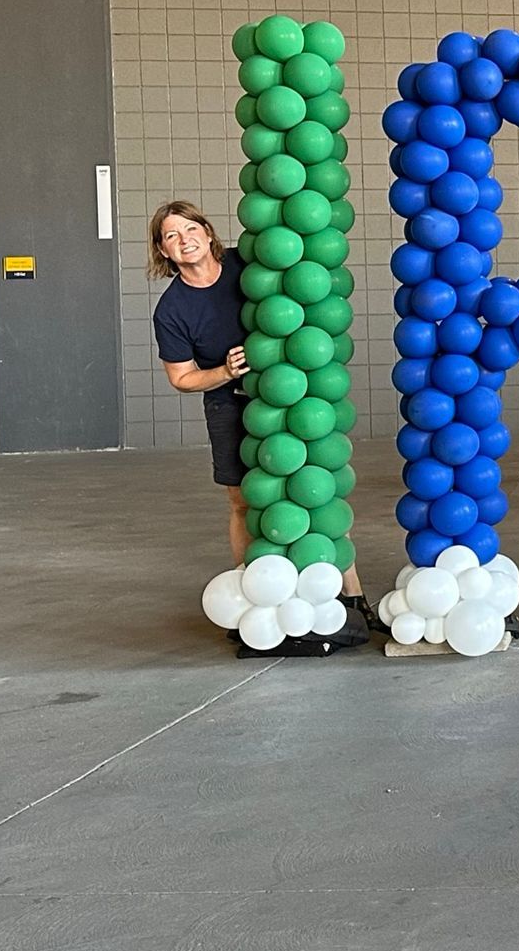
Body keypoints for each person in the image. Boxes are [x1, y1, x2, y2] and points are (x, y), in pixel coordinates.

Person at [149, 201, 368, 650]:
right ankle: (254, 594)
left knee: (318, 488)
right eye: (171, 235)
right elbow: (182, 377)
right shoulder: (172, 310)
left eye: (190, 229)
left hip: (292, 393)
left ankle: (353, 596)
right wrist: (225, 372)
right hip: (231, 404)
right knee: (243, 501)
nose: (184, 240)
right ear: (163, 251)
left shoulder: (247, 264)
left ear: (208, 233)